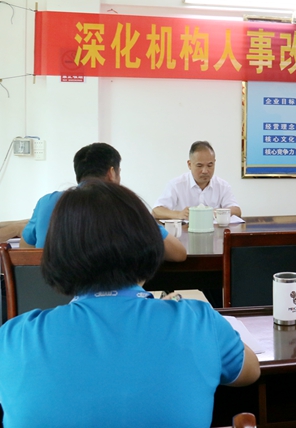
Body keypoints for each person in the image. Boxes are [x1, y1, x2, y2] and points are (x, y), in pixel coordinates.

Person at [0, 179, 259, 426]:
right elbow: (250, 371)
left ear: (56, 253)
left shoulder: (13, 338)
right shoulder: (198, 321)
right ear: (148, 243)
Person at [21, 143, 186, 262]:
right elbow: (177, 253)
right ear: (112, 173)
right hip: (110, 297)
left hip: (52, 295)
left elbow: (25, 251)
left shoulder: (47, 202)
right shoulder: (124, 203)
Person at [153, 141, 242, 220]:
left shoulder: (222, 186)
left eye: (210, 165)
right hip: (185, 232)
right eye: (199, 166)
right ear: (189, 164)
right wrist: (178, 214)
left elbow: (236, 210)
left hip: (215, 232)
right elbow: (156, 211)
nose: (205, 171)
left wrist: (214, 212)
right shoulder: (176, 185)